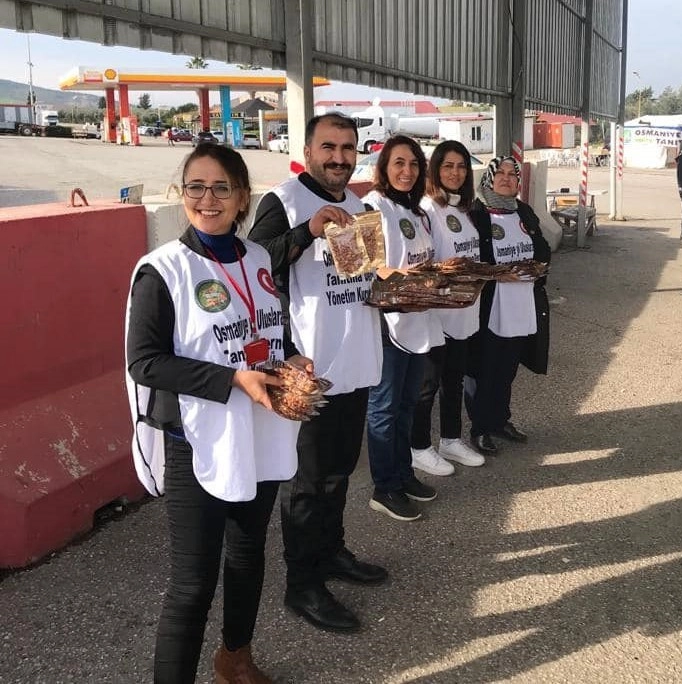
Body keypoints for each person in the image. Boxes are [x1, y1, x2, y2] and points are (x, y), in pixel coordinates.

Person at [125, 143, 309, 684]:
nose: (208, 199)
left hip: (258, 428)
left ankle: (235, 658)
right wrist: (230, 380)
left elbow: (265, 327)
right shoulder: (162, 269)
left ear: (242, 197)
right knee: (192, 585)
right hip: (196, 438)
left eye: (221, 188)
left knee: (248, 555)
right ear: (182, 194)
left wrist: (292, 356)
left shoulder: (258, 258)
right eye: (196, 187)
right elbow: (145, 362)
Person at [248, 113, 386, 634]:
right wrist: (306, 231)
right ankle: (302, 584)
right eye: (328, 147)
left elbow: (362, 280)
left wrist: (397, 291)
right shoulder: (283, 202)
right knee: (307, 481)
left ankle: (332, 552)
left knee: (340, 470)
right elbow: (255, 267)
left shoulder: (359, 208)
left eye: (348, 148)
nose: (339, 157)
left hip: (355, 358)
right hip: (308, 365)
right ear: (307, 150)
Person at [363, 135, 445, 521]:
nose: (407, 171)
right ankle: (385, 487)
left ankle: (403, 473)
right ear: (384, 167)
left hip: (418, 319)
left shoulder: (416, 212)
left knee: (408, 403)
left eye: (413, 164)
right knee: (384, 408)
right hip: (388, 321)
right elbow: (368, 264)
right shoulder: (372, 206)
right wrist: (407, 280)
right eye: (398, 163)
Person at [465, 156, 551, 455]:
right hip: (490, 306)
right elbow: (469, 260)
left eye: (512, 174)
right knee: (484, 368)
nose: (505, 178)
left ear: (517, 182)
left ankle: (500, 421)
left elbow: (542, 248)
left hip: (521, 304)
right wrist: (496, 274)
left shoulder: (523, 212)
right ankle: (480, 428)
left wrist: (539, 267)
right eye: (499, 173)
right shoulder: (476, 215)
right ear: (489, 180)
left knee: (508, 367)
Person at [409, 140, 485, 477]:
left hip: (463, 310)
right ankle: (418, 447)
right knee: (427, 385)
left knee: (454, 379)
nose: (455, 173)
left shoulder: (464, 208)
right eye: (448, 166)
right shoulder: (426, 209)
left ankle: (451, 439)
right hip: (435, 312)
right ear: (434, 169)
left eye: (461, 166)